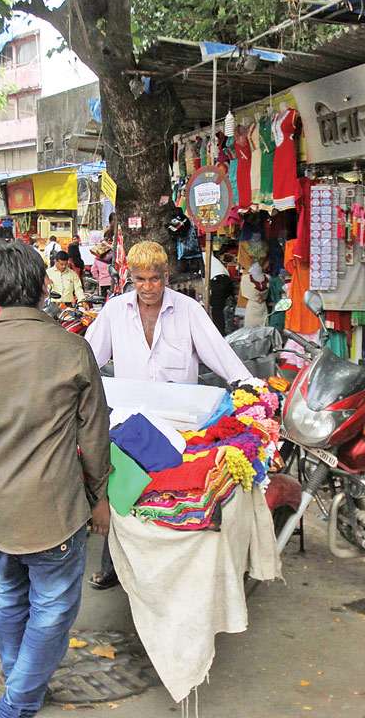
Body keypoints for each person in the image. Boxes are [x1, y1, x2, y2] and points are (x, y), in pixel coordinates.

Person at [0, 240, 110, 718]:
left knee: (10, 593)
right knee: (53, 606)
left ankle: (22, 680)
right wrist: (99, 496)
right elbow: (95, 436)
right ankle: (17, 700)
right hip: (54, 509)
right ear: (44, 288)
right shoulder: (71, 349)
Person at [84, 241, 250, 589]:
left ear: (166, 276)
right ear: (130, 277)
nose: (148, 287)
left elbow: (219, 354)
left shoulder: (188, 310)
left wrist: (248, 384)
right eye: (140, 279)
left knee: (169, 493)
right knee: (123, 489)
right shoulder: (115, 311)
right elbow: (87, 359)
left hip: (178, 420)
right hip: (129, 421)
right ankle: (113, 561)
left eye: (155, 279)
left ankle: (172, 569)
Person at [208, 251, 235, 335]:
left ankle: (220, 333)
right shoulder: (211, 258)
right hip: (226, 280)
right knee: (227, 307)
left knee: (217, 309)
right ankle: (228, 330)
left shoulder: (203, 257)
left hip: (218, 281)